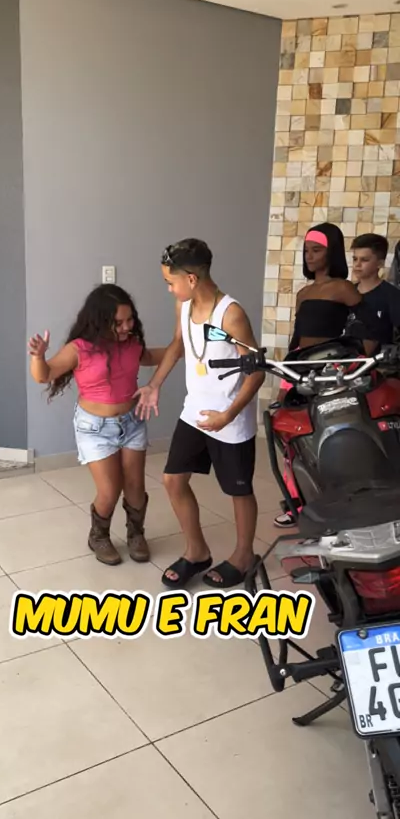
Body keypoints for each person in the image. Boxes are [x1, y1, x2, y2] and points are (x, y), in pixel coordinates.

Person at [134, 238, 265, 589]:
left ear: (191, 278)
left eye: (170, 282)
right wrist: (154, 384)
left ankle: (244, 555)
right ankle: (196, 552)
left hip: (230, 417)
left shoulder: (231, 314)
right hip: (194, 411)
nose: (168, 289)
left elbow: (256, 372)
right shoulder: (184, 304)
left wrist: (229, 415)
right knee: (173, 479)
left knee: (238, 490)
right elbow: (178, 344)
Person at [28, 284, 164, 566]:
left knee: (136, 487)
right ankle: (98, 536)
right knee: (109, 491)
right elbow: (44, 375)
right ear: (100, 321)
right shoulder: (80, 348)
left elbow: (152, 357)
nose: (126, 327)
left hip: (133, 422)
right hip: (95, 428)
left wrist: (185, 348)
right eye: (119, 322)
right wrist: (38, 357)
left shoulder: (132, 344)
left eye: (130, 320)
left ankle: (136, 534)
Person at [274, 222, 383, 528]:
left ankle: (339, 496)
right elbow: (297, 337)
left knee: (326, 432)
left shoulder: (343, 288)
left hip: (329, 371)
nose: (309, 256)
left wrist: (358, 361)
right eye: (306, 250)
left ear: (331, 252)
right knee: (289, 436)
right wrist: (286, 373)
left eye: (316, 250)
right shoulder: (303, 293)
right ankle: (296, 502)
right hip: (299, 369)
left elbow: (371, 328)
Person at [348, 233, 400, 347]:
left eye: (364, 260)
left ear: (380, 263)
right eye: (355, 259)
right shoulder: (347, 292)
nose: (357, 265)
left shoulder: (393, 296)